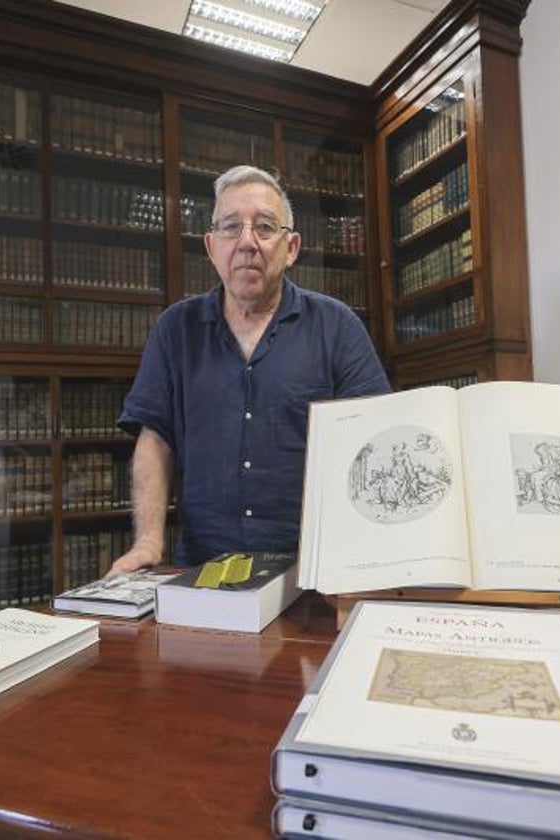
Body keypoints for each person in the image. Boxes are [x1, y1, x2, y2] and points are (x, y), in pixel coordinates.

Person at [109, 164, 390, 573]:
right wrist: (149, 541)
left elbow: (375, 439)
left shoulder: (337, 326)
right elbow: (156, 437)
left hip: (313, 574)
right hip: (204, 574)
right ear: (210, 247)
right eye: (230, 228)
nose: (246, 243)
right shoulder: (176, 329)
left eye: (264, 227)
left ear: (290, 247)